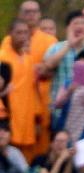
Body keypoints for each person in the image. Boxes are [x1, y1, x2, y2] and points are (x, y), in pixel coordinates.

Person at [2, 2, 59, 157]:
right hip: (9, 111)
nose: (31, 15)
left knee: (36, 154)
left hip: (39, 105)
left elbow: (53, 72)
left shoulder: (49, 41)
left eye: (34, 12)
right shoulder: (5, 48)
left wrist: (37, 116)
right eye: (27, 12)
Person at [0, 20, 40, 162]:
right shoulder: (3, 57)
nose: (22, 36)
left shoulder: (29, 58)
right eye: (18, 32)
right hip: (8, 119)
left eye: (25, 33)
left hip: (27, 118)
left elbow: (33, 90)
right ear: (10, 34)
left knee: (25, 161)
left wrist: (37, 118)